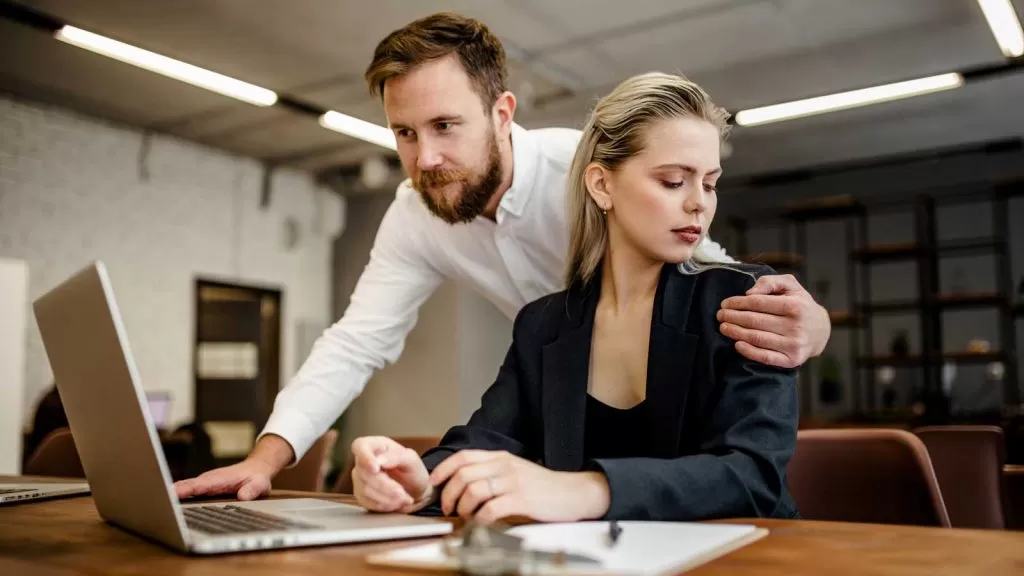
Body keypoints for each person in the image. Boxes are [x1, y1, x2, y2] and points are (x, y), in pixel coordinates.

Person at [173, 12, 828, 502]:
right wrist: (278, 460)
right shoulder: (475, 266)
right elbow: (357, 344)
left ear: (502, 113)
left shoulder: (587, 171)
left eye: (446, 126)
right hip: (567, 402)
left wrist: (815, 322)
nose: (424, 158)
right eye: (404, 133)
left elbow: (703, 266)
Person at [349, 71, 799, 523]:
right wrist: (418, 481)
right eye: (673, 181)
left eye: (709, 183)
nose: (699, 203)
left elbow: (752, 475)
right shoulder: (543, 325)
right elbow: (485, 441)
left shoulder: (743, 302)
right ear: (602, 185)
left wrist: (587, 490)